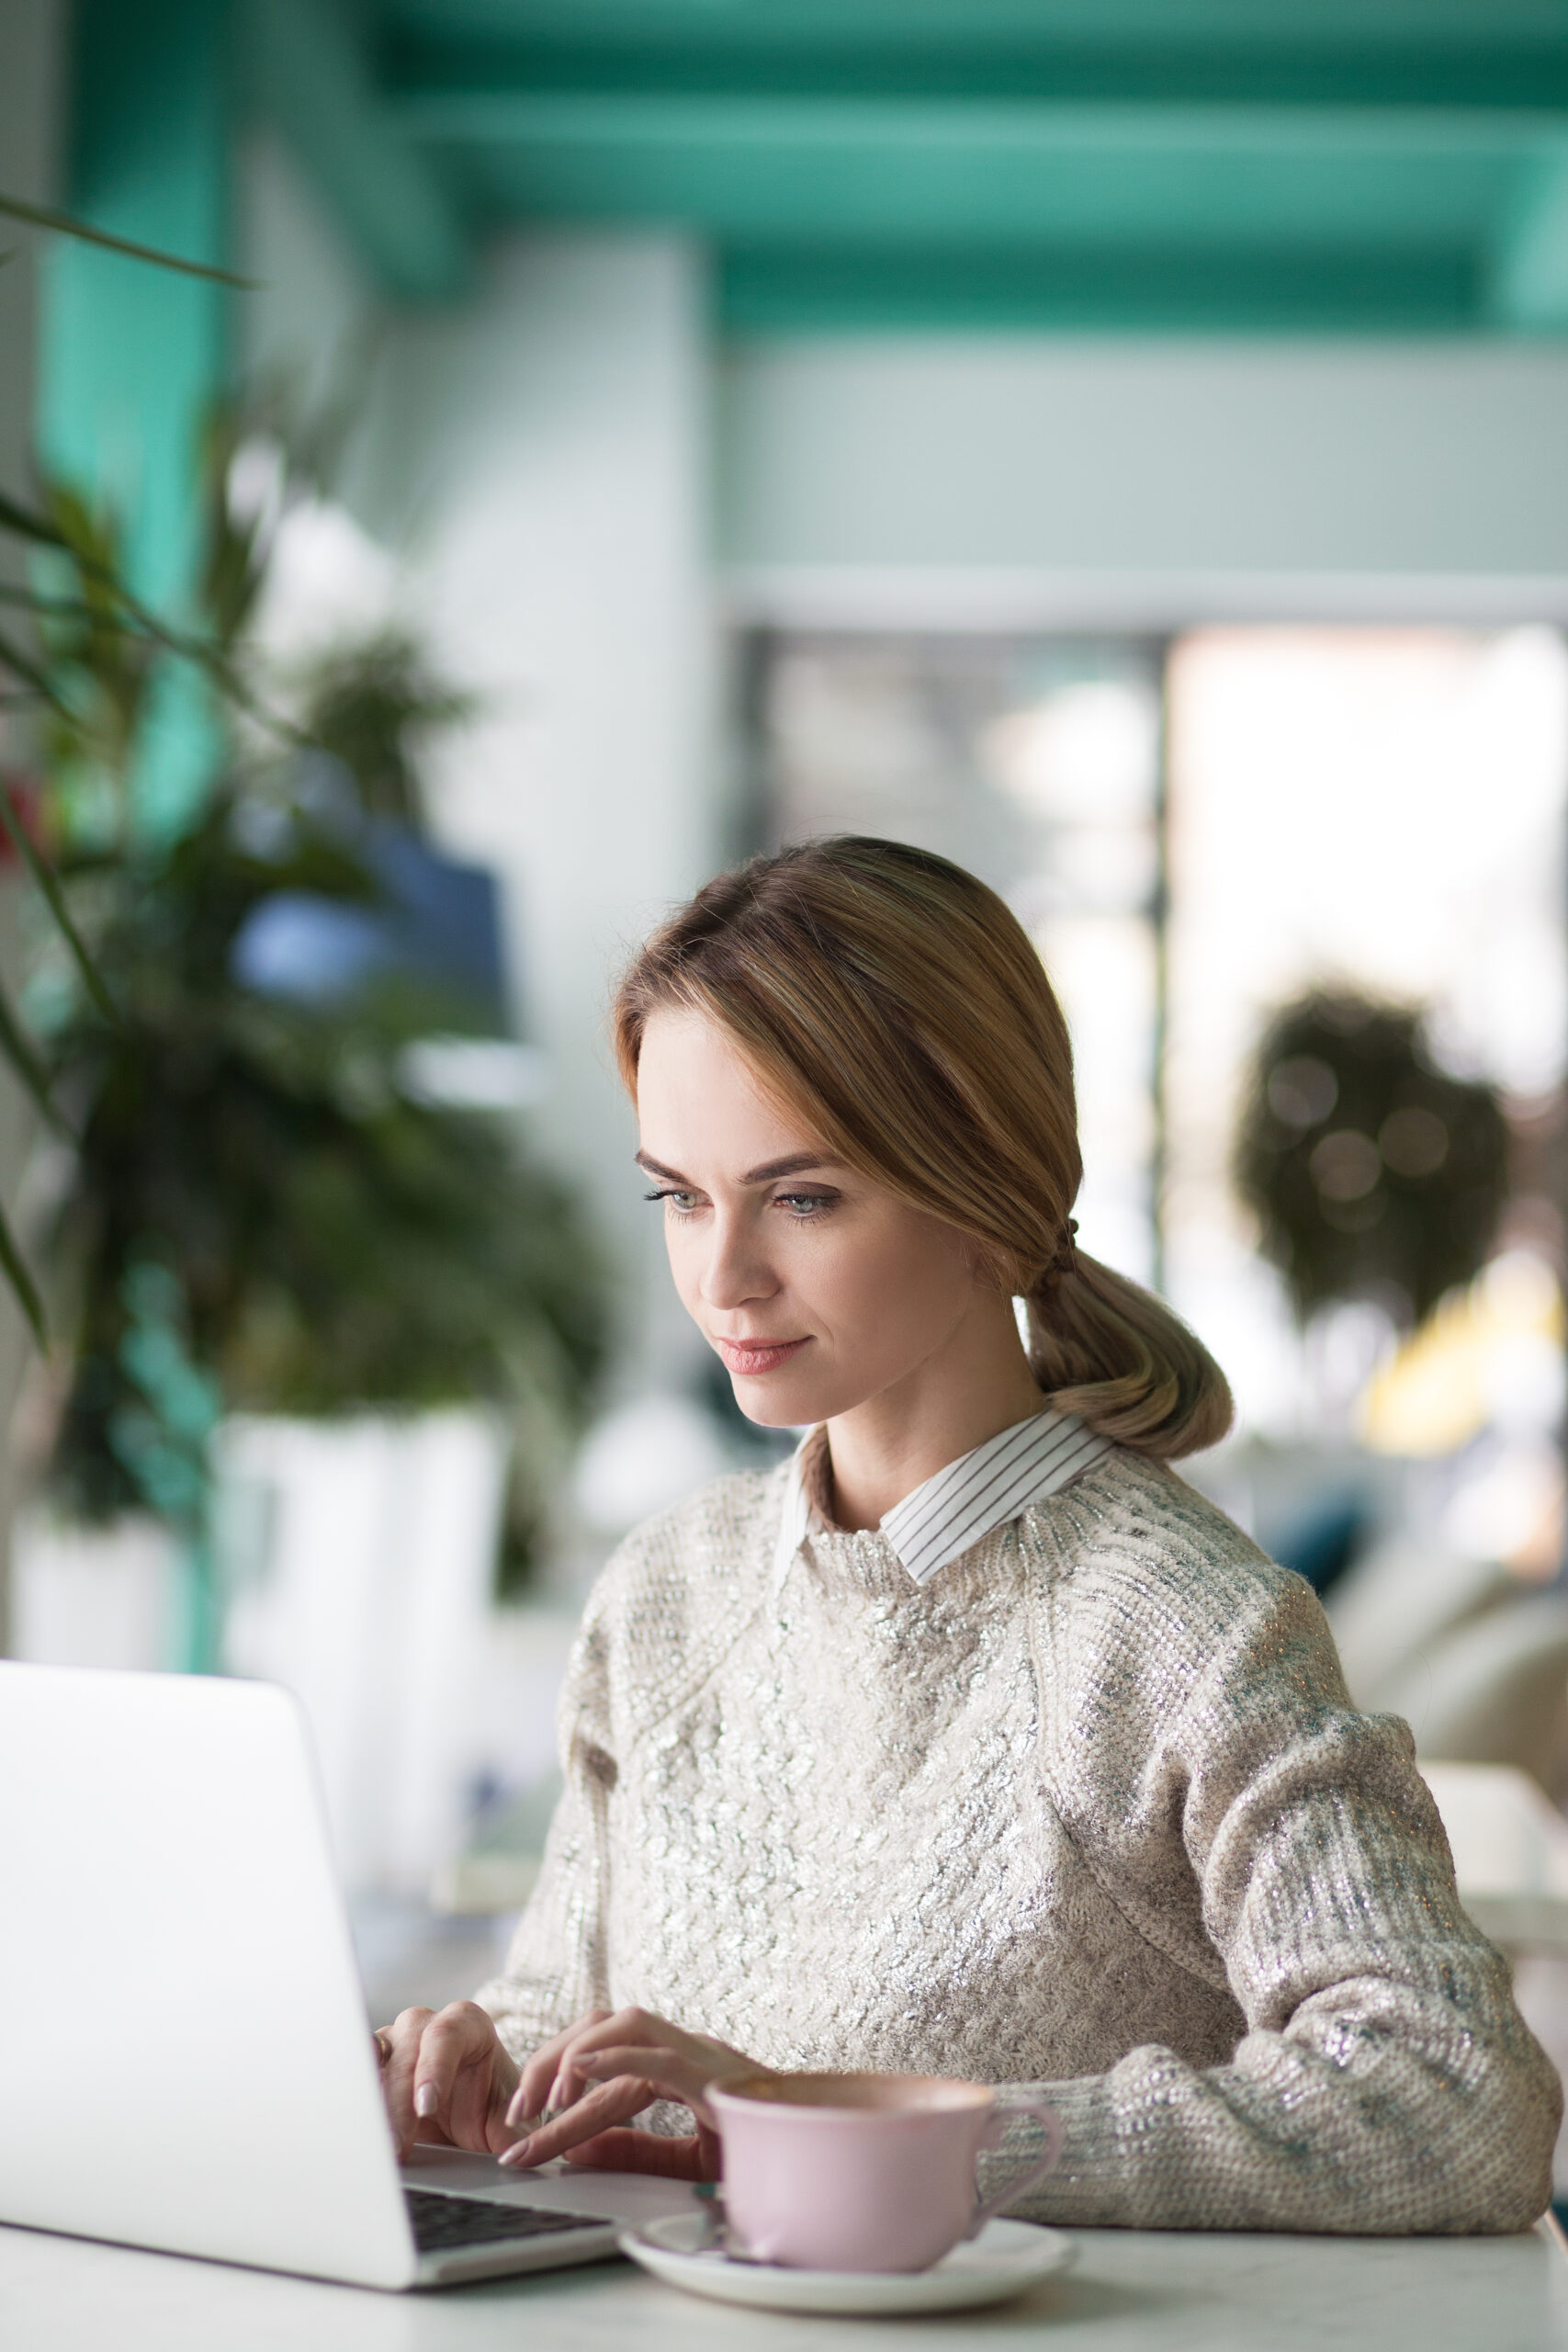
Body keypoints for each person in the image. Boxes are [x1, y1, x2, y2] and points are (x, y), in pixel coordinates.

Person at [376, 835, 1560, 2233]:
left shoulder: (1178, 1625)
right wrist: (467, 2071)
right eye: (681, 1198)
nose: (722, 1277)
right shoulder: (664, 1593)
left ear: (988, 1201)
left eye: (802, 1197)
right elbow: (564, 2024)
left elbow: (1457, 2096)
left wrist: (846, 2136)